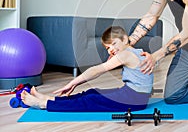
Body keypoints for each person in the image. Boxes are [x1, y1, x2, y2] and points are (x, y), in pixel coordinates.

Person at [21, 26, 153, 112]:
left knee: (91, 100)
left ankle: (45, 104)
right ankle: (51, 99)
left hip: (134, 99)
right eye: (108, 48)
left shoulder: (125, 55)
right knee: (92, 92)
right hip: (133, 96)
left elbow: (96, 70)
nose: (111, 49)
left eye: (113, 44)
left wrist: (73, 82)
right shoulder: (137, 52)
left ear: (125, 39)